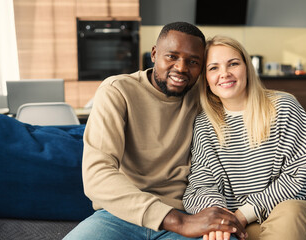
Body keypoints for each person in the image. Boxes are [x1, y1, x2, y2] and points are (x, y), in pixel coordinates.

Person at [64, 22, 247, 240]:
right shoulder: (117, 91)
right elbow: (97, 175)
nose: (181, 68)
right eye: (171, 56)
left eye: (193, 61)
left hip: (187, 210)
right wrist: (180, 222)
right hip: (122, 215)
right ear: (153, 54)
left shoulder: (204, 95)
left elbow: (247, 101)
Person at [182, 35, 306, 240]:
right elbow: (200, 186)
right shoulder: (204, 125)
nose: (224, 74)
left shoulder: (283, 106)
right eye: (213, 68)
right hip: (243, 223)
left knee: (289, 213)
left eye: (233, 64)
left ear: (247, 68)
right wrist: (219, 217)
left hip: (300, 212)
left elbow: (301, 175)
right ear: (206, 80)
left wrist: (243, 214)